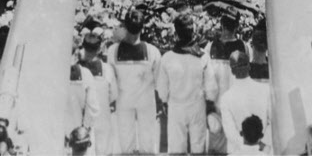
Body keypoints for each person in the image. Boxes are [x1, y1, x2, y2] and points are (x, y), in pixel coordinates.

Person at [157, 14, 217, 154]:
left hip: (176, 107)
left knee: (177, 147)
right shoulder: (202, 56)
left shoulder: (167, 58)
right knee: (198, 146)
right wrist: (210, 103)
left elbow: (162, 90)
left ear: (176, 32)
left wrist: (165, 101)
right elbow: (212, 88)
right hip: (197, 106)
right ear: (193, 30)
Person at [107, 9, 162, 155]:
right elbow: (159, 81)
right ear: (142, 28)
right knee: (148, 145)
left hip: (123, 101)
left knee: (125, 145)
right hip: (146, 102)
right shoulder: (152, 52)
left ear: (125, 26)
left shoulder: (113, 51)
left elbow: (111, 81)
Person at [218, 51, 270, 154]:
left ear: (232, 71)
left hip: (236, 151)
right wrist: (260, 143)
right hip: (262, 149)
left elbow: (230, 131)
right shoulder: (265, 90)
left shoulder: (226, 98)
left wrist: (245, 147)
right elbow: (272, 121)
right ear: (249, 66)